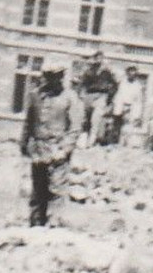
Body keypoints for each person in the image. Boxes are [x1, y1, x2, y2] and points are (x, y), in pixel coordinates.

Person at [21, 68, 77, 226]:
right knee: (38, 190)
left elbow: (75, 127)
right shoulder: (35, 95)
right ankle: (35, 225)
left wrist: (65, 149)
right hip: (39, 148)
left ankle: (53, 227)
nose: (52, 80)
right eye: (49, 76)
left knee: (57, 189)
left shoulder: (69, 97)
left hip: (57, 148)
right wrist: (24, 143)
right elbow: (29, 121)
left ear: (61, 77)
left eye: (56, 77)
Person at [78, 51, 119, 147]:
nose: (98, 60)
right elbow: (82, 83)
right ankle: (84, 138)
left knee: (95, 119)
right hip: (89, 95)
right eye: (96, 58)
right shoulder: (89, 70)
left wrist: (110, 98)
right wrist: (81, 94)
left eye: (100, 58)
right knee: (86, 118)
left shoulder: (107, 72)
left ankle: (91, 140)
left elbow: (115, 84)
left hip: (101, 95)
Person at [110, 66, 144, 148]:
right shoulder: (122, 82)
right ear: (127, 74)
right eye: (130, 74)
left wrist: (136, 112)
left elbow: (138, 100)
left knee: (127, 125)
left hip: (130, 107)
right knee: (116, 124)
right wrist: (115, 105)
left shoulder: (138, 86)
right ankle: (113, 142)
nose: (131, 76)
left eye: (134, 74)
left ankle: (123, 143)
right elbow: (118, 94)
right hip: (119, 105)